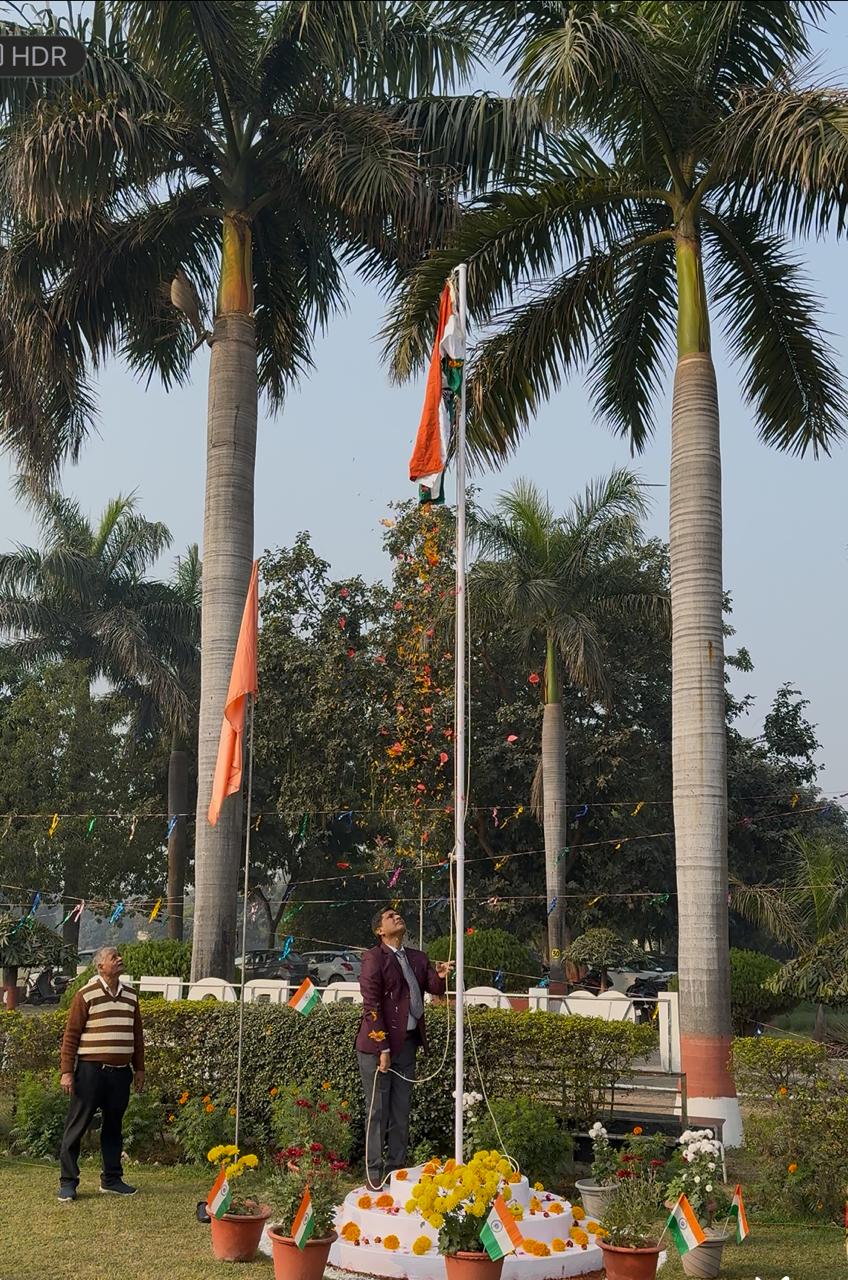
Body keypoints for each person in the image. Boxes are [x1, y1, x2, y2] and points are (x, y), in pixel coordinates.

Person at [355, 906, 453, 1189]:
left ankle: (395, 1170)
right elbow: (371, 1006)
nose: (397, 917)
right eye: (390, 917)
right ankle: (374, 1173)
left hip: (408, 1044)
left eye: (397, 914)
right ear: (380, 931)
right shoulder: (374, 958)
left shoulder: (417, 957)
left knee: (400, 1110)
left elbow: (432, 987)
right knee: (377, 1110)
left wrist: (441, 976)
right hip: (377, 1049)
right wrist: (383, 1047)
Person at [57, 945, 145, 1202]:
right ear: (100, 966)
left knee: (114, 1127)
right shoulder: (86, 994)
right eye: (113, 957)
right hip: (90, 1072)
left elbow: (137, 1035)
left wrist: (139, 1068)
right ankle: (68, 1182)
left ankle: (111, 1179)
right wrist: (66, 1071)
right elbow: (71, 1035)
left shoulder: (131, 996)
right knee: (77, 1126)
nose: (120, 959)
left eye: (119, 956)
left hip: (120, 1074)